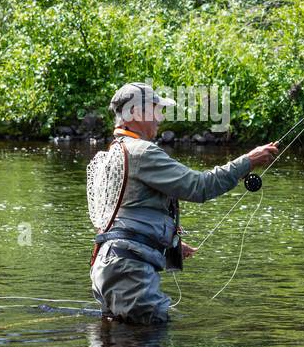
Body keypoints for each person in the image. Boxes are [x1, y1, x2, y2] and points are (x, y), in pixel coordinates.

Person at [91, 82, 278, 325]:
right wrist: (248, 162)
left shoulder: (112, 153)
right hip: (129, 271)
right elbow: (199, 187)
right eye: (155, 109)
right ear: (136, 113)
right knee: (148, 343)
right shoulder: (142, 152)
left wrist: (169, 241)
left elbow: (125, 212)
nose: (160, 118)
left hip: (108, 266)